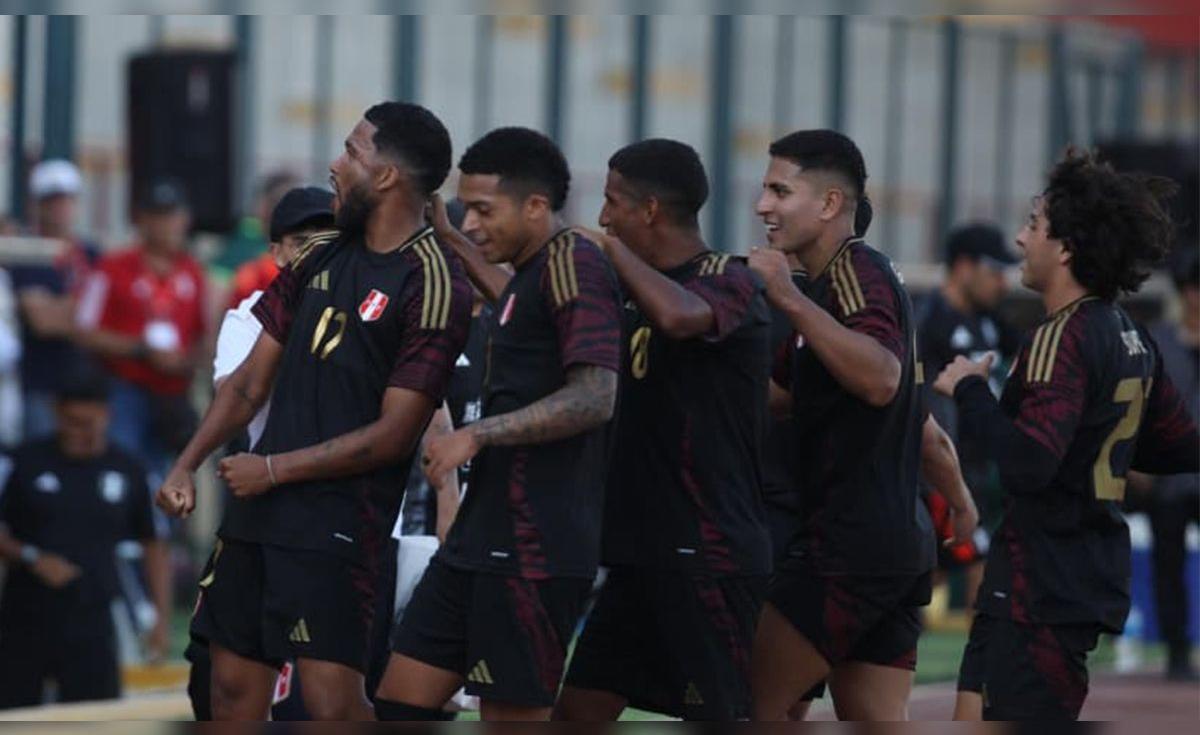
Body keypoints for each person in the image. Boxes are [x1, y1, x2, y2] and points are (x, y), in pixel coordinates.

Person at [156, 101, 472, 721]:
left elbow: (394, 434)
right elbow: (248, 383)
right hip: (257, 510)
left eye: (352, 152)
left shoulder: (435, 281)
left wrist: (272, 470)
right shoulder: (319, 253)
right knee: (229, 691)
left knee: (331, 705)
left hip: (336, 524)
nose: (335, 164)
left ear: (386, 177)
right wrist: (185, 464)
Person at [935, 149, 1200, 720]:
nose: (1019, 241)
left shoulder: (1064, 336)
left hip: (1043, 584)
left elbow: (1029, 463)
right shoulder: (1130, 333)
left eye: (1032, 225)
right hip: (1064, 578)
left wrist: (971, 391)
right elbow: (1180, 445)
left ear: (1066, 248)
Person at [375, 127, 622, 722]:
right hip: (480, 543)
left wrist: (476, 434)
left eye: (485, 210)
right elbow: (516, 303)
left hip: (534, 551)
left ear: (536, 207)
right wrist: (455, 241)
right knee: (399, 705)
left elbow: (596, 395)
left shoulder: (575, 263)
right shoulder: (533, 273)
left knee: (508, 719)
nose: (475, 221)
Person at [554, 139, 771, 721]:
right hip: (639, 555)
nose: (602, 217)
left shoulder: (731, 278)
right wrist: (455, 244)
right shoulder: (630, 288)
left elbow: (680, 318)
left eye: (611, 202)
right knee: (574, 714)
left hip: (709, 552)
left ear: (649, 210)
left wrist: (607, 252)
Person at [746, 130, 938, 720]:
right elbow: (775, 399)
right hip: (887, 544)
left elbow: (882, 378)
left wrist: (786, 296)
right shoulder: (827, 289)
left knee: (746, 704)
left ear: (829, 204)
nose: (763, 206)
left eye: (781, 190)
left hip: (848, 548)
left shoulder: (856, 272)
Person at [0, 369, 170, 709]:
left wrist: (161, 619)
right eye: (70, 422)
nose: (78, 432)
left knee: (92, 717)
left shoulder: (129, 469)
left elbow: (154, 544)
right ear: (56, 414)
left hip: (93, 615)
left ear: (106, 415)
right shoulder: (22, 462)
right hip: (25, 614)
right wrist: (32, 557)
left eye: (87, 423)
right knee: (15, 715)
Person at [73, 177, 207, 483]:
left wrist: (187, 362)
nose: (166, 224)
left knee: (170, 475)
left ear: (185, 218)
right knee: (125, 465)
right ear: (142, 220)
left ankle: (161, 531)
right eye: (158, 216)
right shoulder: (112, 266)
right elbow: (84, 330)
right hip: (124, 386)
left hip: (173, 391)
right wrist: (141, 350)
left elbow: (204, 334)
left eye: (172, 215)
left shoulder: (192, 270)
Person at [917, 223, 1021, 610]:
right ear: (963, 267)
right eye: (994, 271)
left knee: (970, 562)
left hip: (985, 469)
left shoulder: (991, 322)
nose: (1002, 283)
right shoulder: (928, 321)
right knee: (952, 564)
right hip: (943, 468)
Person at [1135, 251, 1200, 681]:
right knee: (1167, 561)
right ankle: (1176, 650)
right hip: (1170, 475)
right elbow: (1138, 402)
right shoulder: (1158, 340)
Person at [8, 159, 101, 440]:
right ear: (37, 205)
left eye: (66, 199)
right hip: (42, 383)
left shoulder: (91, 253)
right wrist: (87, 306)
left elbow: (107, 318)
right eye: (51, 201)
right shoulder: (27, 252)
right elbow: (44, 322)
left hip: (87, 381)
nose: (60, 208)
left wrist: (66, 308)